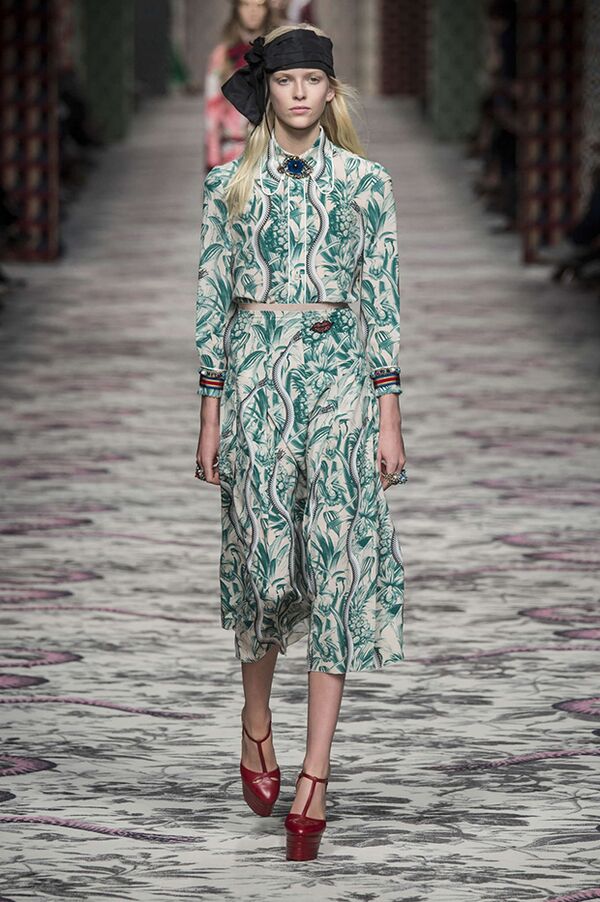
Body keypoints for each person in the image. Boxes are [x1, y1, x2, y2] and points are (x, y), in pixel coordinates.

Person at [194, 23, 407, 861]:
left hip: (341, 379)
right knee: (262, 563)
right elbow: (211, 295)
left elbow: (382, 295)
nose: (299, 93)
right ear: (269, 90)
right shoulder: (228, 186)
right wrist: (209, 413)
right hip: (255, 378)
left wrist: (389, 412)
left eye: (313, 80)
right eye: (286, 80)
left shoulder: (366, 182)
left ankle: (315, 775)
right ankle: (256, 721)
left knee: (337, 564)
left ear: (330, 90)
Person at [204, 0, 276, 172]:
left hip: (271, 150)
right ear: (237, 9)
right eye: (246, 5)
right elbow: (212, 107)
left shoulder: (277, 51)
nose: (253, 11)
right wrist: (212, 157)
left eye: (260, 5)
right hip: (232, 151)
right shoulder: (222, 55)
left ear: (267, 10)